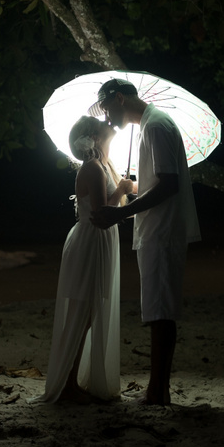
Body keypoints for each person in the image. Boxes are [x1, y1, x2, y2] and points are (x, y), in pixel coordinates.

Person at [91, 79, 200, 406]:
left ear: (120, 98)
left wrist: (122, 214)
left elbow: (169, 185)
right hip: (156, 230)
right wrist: (130, 187)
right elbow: (157, 182)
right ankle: (158, 389)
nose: (108, 120)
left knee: (161, 310)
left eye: (108, 110)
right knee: (157, 308)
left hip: (162, 232)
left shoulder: (155, 126)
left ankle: (157, 392)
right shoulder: (151, 125)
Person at [35, 116, 136, 404]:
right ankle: (66, 383)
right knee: (83, 309)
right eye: (101, 122)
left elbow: (121, 203)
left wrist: (129, 187)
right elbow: (104, 212)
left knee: (91, 311)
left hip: (101, 239)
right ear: (93, 134)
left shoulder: (106, 165)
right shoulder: (91, 168)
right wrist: (123, 190)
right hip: (91, 239)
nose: (109, 123)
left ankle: (71, 380)